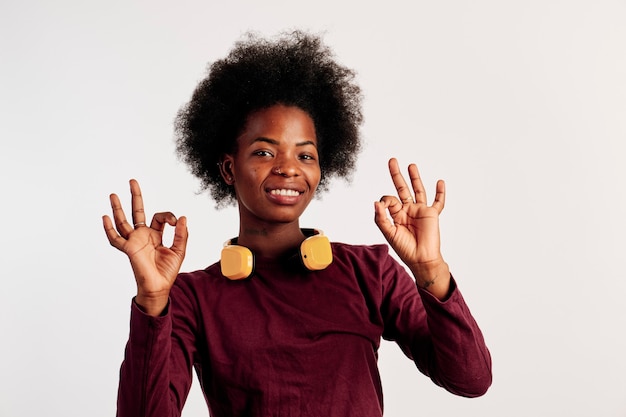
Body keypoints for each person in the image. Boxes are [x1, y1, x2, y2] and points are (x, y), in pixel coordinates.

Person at [103, 30, 492, 417]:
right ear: (227, 168)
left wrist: (430, 270)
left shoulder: (370, 273)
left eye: (305, 156)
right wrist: (152, 303)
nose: (289, 168)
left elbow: (470, 380)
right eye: (264, 151)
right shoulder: (192, 297)